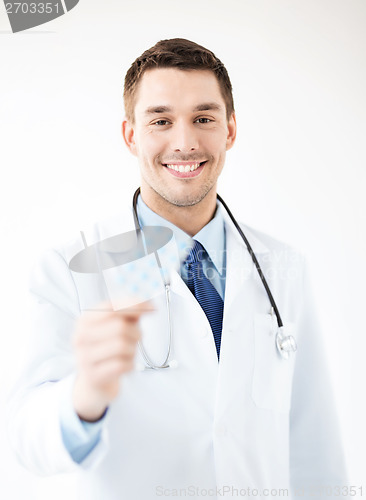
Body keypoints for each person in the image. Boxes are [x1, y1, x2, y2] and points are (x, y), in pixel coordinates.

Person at [8, 38, 348, 499]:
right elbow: (25, 439)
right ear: (131, 135)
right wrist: (83, 396)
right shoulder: (73, 269)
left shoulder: (281, 268)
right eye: (161, 120)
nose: (185, 143)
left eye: (203, 119)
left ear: (230, 130)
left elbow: (315, 446)